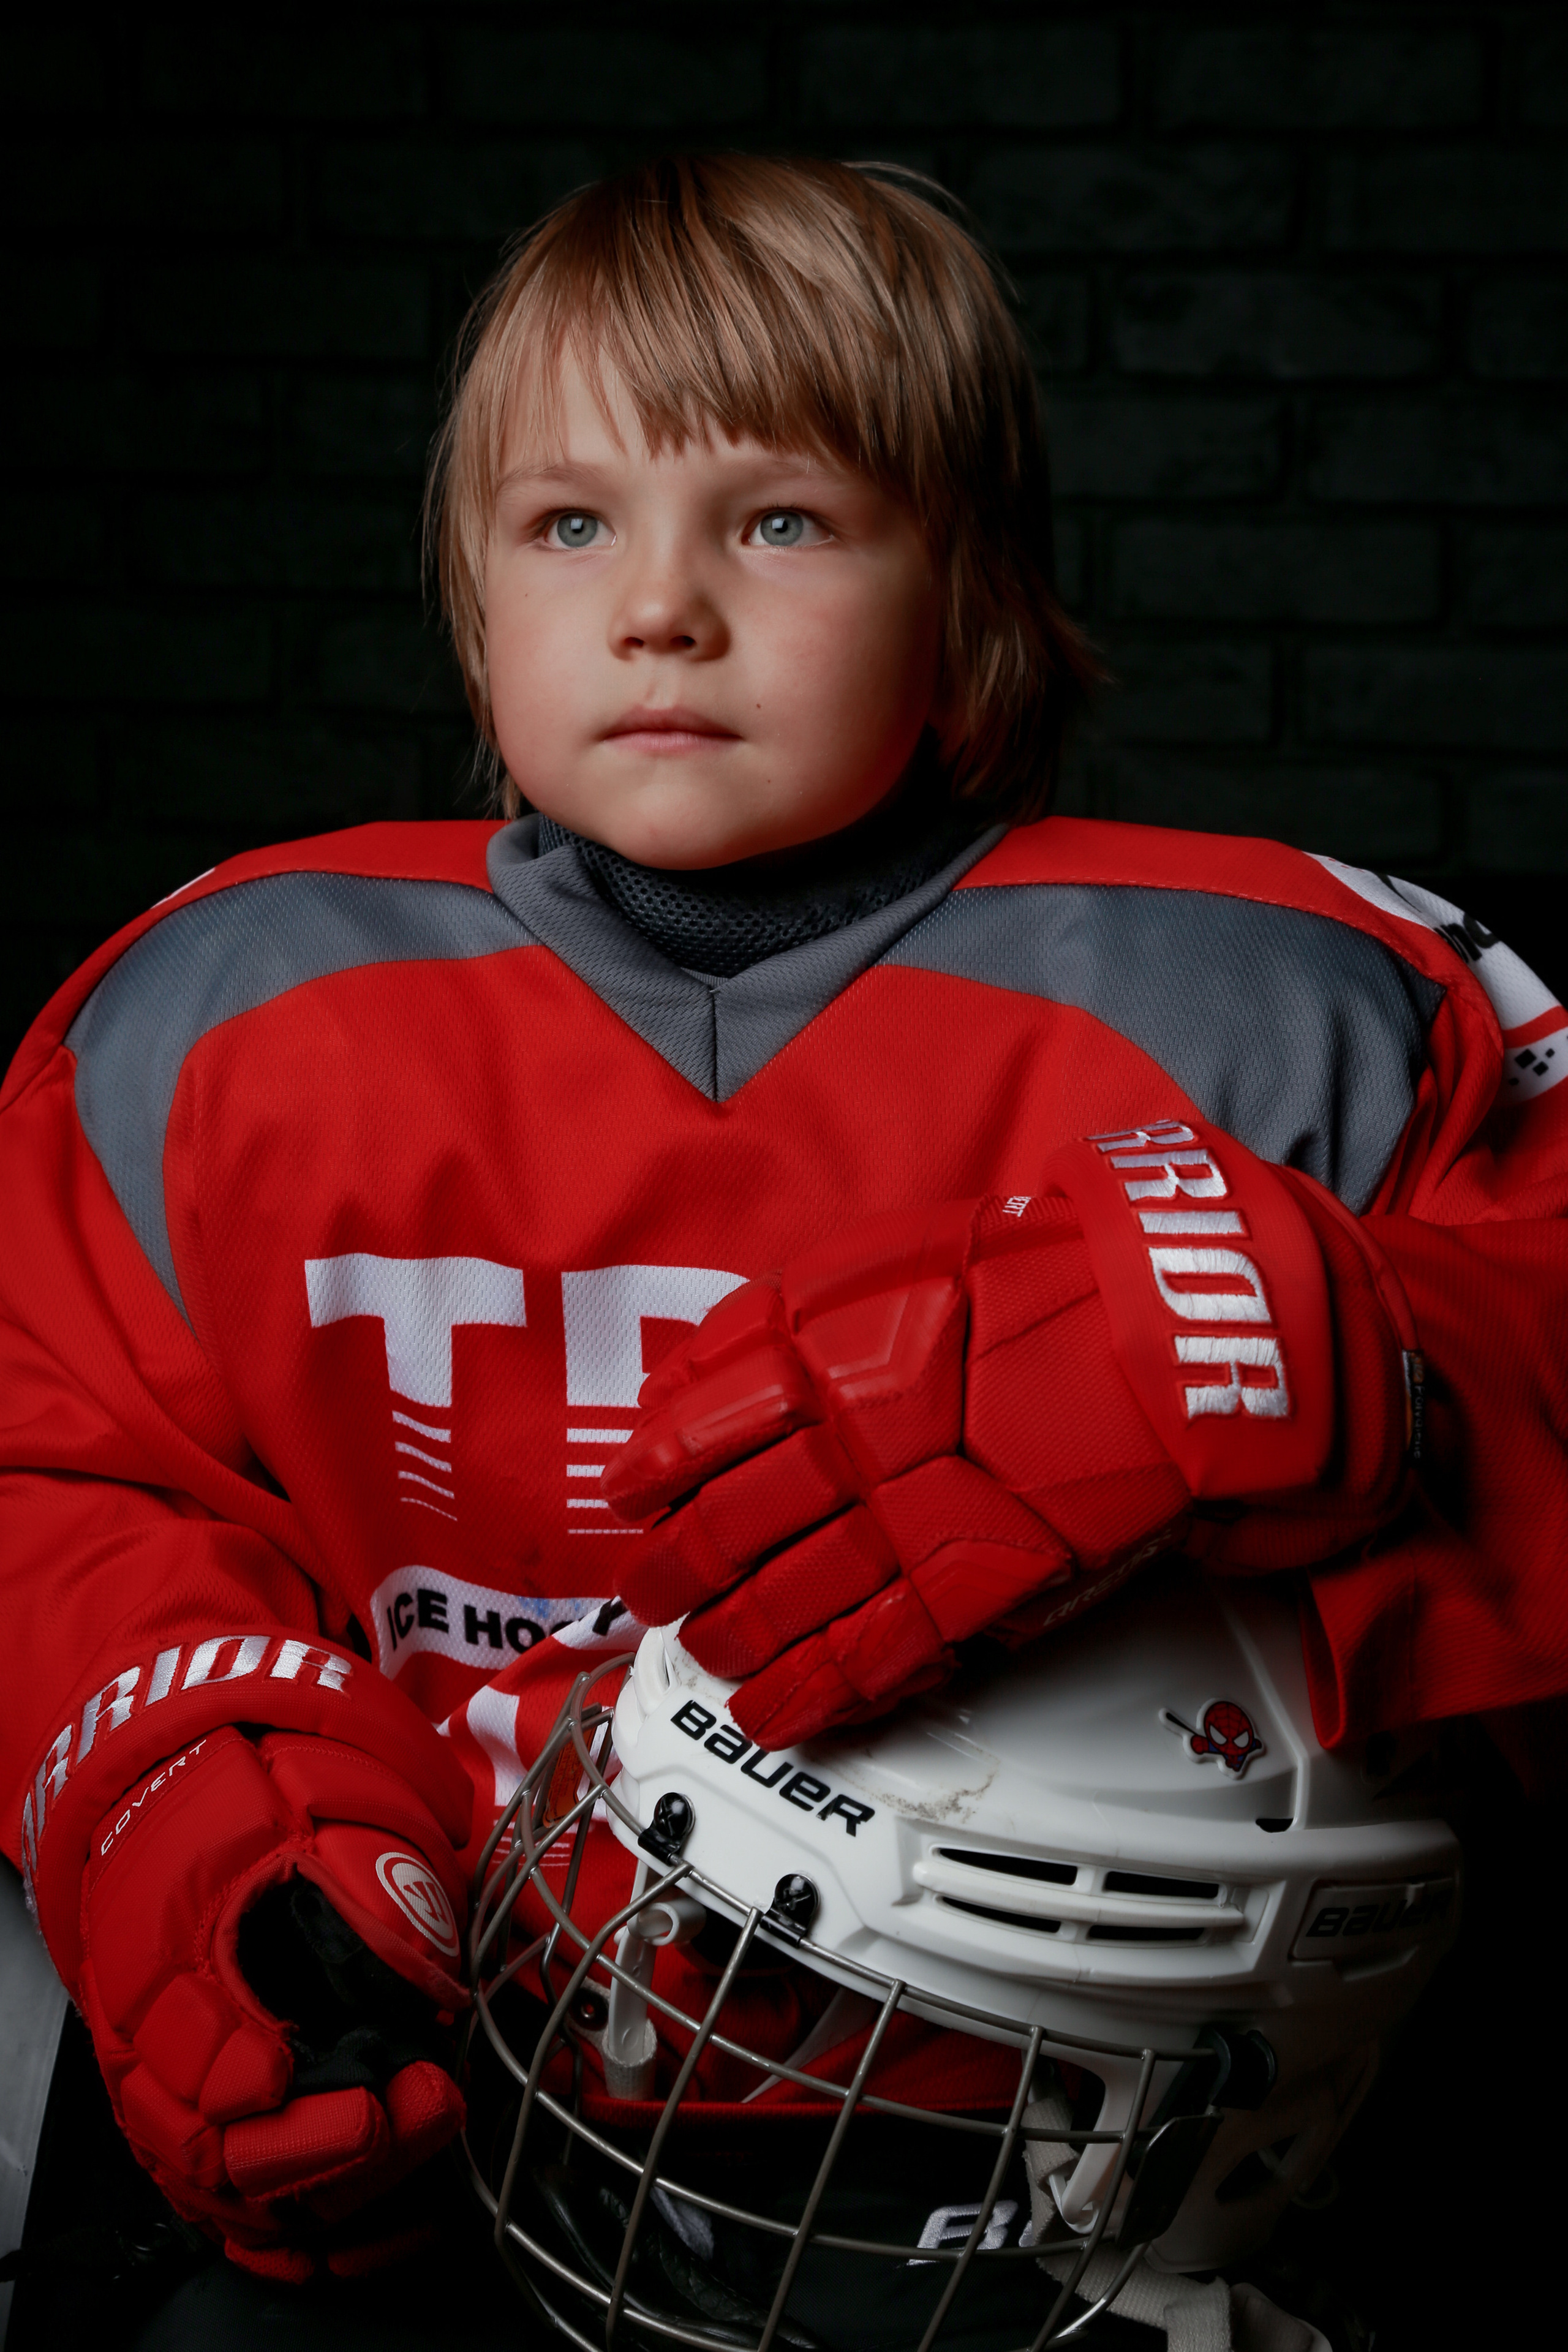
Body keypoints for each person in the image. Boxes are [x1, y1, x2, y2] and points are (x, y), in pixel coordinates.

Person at [2, 151, 1566, 2318]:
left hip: (1089, 2128)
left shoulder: (1311, 1004)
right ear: (473, 598)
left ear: (975, 592)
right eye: (572, 525)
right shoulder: (211, 1013)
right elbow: (71, 1470)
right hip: (426, 2051)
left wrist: (1359, 1343)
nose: (662, 603)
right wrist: (188, 1776)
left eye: (783, 520)